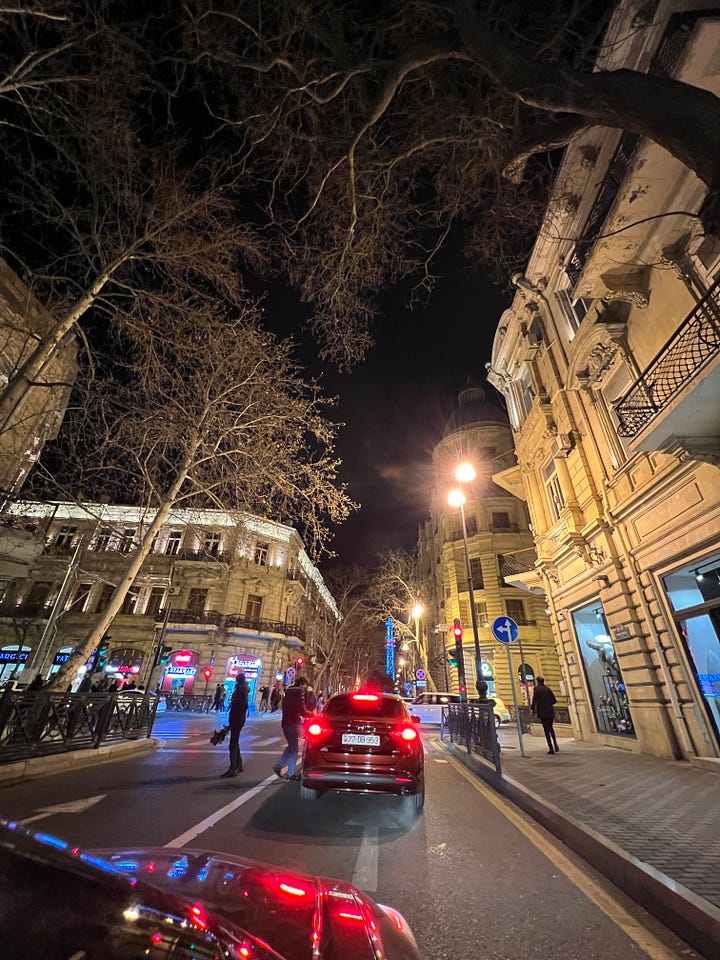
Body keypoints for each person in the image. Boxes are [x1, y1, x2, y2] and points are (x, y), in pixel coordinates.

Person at [274, 677, 310, 780]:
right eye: (305, 685)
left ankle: (279, 765)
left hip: (285, 722)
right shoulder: (299, 692)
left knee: (291, 746)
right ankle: (290, 774)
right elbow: (302, 710)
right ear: (301, 684)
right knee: (294, 749)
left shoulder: (288, 692)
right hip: (293, 722)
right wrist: (313, 715)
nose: (305, 688)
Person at [221, 672, 249, 778]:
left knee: (233, 744)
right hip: (238, 719)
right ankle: (239, 765)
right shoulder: (242, 690)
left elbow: (242, 705)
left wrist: (234, 717)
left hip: (237, 719)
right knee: (235, 742)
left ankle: (232, 769)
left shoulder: (240, 691)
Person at [531, 676, 559, 754]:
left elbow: (534, 700)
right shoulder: (548, 689)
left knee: (546, 730)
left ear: (537, 681)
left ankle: (551, 748)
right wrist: (548, 703)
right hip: (550, 711)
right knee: (551, 728)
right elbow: (554, 700)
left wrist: (533, 709)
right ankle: (555, 743)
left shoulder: (537, 690)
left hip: (542, 712)